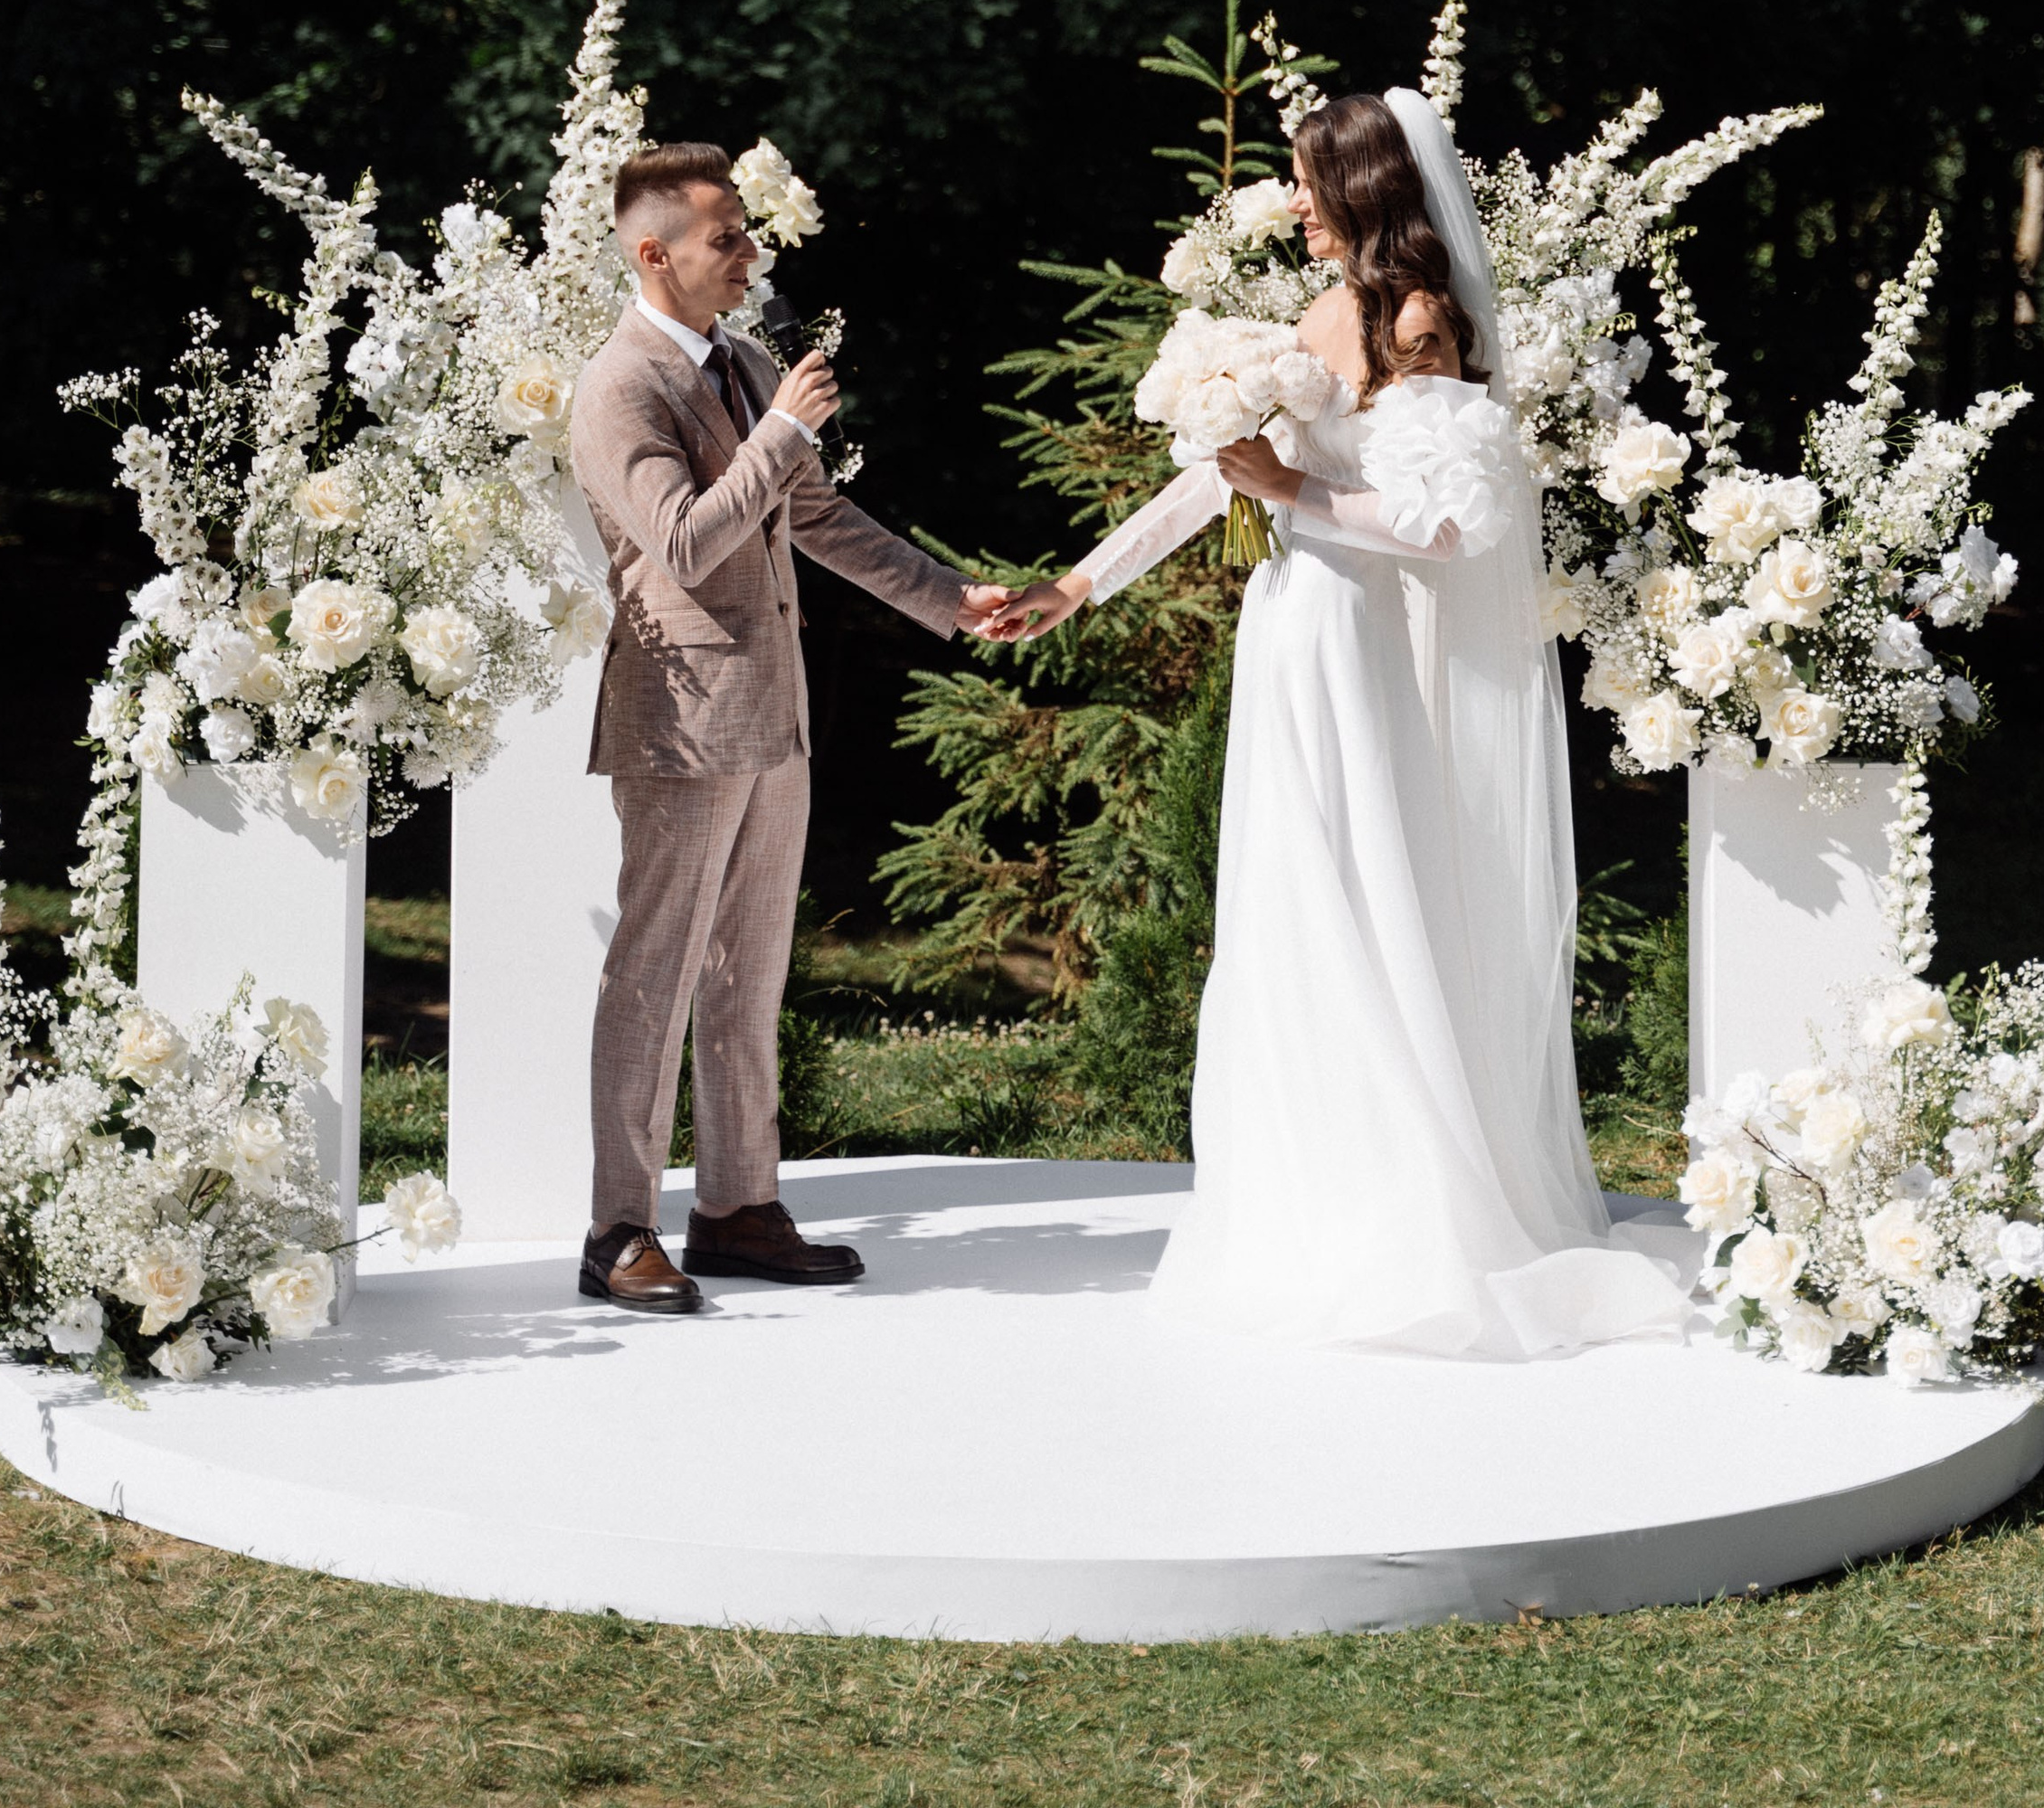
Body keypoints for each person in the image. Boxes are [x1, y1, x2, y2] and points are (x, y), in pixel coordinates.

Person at [1014, 88, 1694, 1358]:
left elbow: (1446, 529)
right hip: (1289, 633)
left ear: (1365, 190)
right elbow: (1207, 477)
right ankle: (1303, 1208)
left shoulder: (1420, 320)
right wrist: (1074, 588)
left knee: (1356, 889)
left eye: (1311, 183)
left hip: (1358, 642)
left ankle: (1412, 1213)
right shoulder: (1320, 316)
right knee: (1285, 904)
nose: (1296, 204)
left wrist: (1297, 496)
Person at [568, 141, 1036, 1313]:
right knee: (655, 974)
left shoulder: (745, 363)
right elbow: (681, 542)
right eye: (726, 236)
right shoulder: (619, 384)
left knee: (748, 972)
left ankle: (736, 1206)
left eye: (744, 232)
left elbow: (816, 517)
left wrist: (950, 599)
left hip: (773, 712)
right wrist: (779, 430)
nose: (749, 253)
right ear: (653, 251)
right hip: (680, 718)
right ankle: (616, 1228)